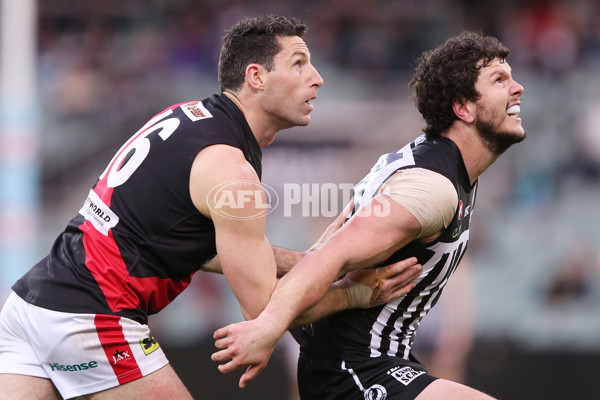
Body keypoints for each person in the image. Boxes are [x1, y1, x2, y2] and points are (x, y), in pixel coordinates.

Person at [0, 14, 421, 400]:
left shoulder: (188, 117)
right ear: (256, 77)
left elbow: (203, 246)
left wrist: (312, 261)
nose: (317, 78)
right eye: (298, 64)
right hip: (91, 316)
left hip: (29, 305)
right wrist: (355, 293)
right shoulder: (231, 169)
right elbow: (263, 311)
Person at [212, 30, 526, 400]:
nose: (517, 87)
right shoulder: (432, 187)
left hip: (381, 362)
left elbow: (324, 251)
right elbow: (333, 254)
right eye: (499, 80)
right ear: (464, 108)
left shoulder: (440, 165)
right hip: (355, 370)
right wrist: (267, 328)